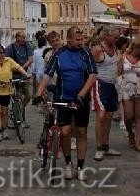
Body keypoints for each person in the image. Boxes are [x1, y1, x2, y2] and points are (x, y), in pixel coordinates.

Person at [34, 27, 98, 181]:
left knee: (82, 132)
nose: (81, 42)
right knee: (66, 131)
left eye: (82, 39)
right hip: (63, 96)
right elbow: (48, 74)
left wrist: (82, 95)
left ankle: (81, 166)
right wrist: (38, 93)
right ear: (69, 39)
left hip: (81, 98)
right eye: (78, 40)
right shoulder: (59, 54)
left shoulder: (86, 53)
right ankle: (69, 163)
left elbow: (93, 75)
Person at [0, 44, 29, 142]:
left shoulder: (9, 61)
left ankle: (4, 130)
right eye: (0, 53)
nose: (2, 55)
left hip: (7, 89)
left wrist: (26, 74)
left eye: (3, 52)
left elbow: (18, 67)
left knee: (5, 112)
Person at [91, 27, 121, 161]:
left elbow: (117, 67)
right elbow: (89, 67)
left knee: (109, 116)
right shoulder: (98, 49)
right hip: (100, 84)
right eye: (115, 37)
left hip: (112, 86)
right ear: (107, 36)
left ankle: (106, 146)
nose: (116, 39)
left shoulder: (115, 49)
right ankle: (98, 148)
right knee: (101, 115)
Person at [5, 32, 33, 125]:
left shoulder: (26, 46)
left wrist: (23, 68)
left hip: (23, 74)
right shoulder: (10, 48)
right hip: (13, 75)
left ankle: (20, 109)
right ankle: (20, 118)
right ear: (17, 37)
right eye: (23, 37)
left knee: (28, 96)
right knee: (18, 96)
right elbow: (7, 63)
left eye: (25, 37)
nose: (24, 39)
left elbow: (30, 59)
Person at [118, 39, 140, 151]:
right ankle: (130, 133)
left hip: (139, 88)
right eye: (138, 48)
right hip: (127, 88)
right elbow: (118, 72)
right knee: (129, 116)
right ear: (134, 47)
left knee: (138, 116)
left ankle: (138, 141)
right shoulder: (123, 57)